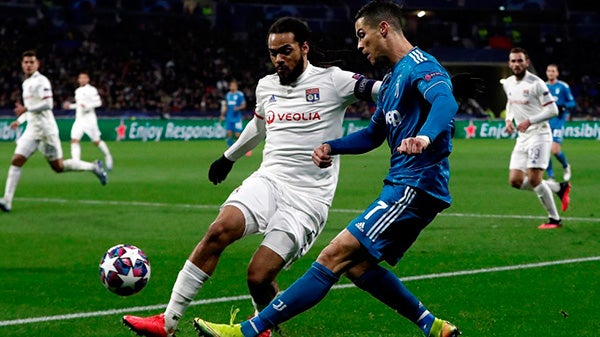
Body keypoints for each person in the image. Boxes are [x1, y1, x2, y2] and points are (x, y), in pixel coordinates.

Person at [193, 1, 462, 337]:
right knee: (357, 265)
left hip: (416, 184)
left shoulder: (421, 65)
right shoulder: (394, 79)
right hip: (402, 184)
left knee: (333, 255)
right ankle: (433, 326)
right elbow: (372, 135)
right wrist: (330, 146)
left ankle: (248, 330)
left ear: (384, 29)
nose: (360, 45)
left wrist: (423, 136)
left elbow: (445, 101)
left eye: (363, 36)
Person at [122, 16, 382, 337]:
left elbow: (383, 91)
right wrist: (227, 158)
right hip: (268, 181)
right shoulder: (266, 85)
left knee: (258, 277)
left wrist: (425, 97)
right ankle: (169, 321)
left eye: (285, 51)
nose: (278, 59)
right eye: (273, 53)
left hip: (307, 200)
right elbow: (259, 125)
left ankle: (264, 328)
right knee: (219, 230)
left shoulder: (333, 81)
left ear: (304, 48)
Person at [0, 50, 107, 213]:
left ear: (37, 64)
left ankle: (93, 167)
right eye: (26, 62)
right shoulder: (25, 83)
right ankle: (7, 201)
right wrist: (20, 120)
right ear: (22, 65)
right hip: (32, 130)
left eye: (31, 62)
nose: (28, 65)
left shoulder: (41, 81)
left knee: (58, 167)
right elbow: (30, 110)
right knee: (16, 161)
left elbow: (48, 104)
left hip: (46, 130)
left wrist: (25, 109)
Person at [502, 48, 571, 229]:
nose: (516, 64)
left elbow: (553, 110)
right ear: (509, 63)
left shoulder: (537, 83)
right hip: (522, 137)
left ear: (527, 62)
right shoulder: (508, 83)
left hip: (539, 134)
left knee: (534, 179)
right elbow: (510, 103)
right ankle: (558, 188)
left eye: (520, 61)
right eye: (513, 61)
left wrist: (529, 121)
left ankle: (554, 219)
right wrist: (509, 120)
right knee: (515, 181)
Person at [63, 71, 114, 171]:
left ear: (87, 79)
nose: (81, 80)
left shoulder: (92, 90)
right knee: (74, 140)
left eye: (84, 78)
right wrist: (70, 106)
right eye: (80, 78)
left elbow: (98, 102)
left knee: (96, 141)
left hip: (90, 119)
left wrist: (88, 106)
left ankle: (108, 156)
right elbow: (79, 105)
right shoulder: (77, 91)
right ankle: (76, 162)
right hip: (79, 119)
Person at [545, 64, 575, 181]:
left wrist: (563, 106)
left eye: (553, 71)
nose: (550, 73)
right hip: (546, 122)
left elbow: (572, 103)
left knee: (555, 150)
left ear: (557, 73)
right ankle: (550, 176)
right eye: (549, 71)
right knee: (545, 151)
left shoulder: (563, 86)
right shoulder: (543, 86)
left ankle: (566, 166)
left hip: (558, 121)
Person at [220, 80, 247, 148]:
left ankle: (242, 146)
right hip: (229, 117)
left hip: (237, 118)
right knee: (229, 133)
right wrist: (222, 115)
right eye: (231, 85)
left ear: (236, 87)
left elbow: (244, 105)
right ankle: (230, 147)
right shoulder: (228, 95)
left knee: (237, 134)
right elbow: (226, 106)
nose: (232, 87)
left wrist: (238, 108)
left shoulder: (240, 94)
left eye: (234, 85)